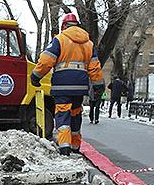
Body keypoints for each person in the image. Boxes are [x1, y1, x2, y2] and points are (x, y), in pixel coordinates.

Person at [30, 12, 103, 155]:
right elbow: (95, 67)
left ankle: (64, 146)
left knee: (63, 113)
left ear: (64, 26)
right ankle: (75, 146)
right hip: (80, 87)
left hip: (62, 86)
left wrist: (35, 76)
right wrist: (98, 85)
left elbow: (46, 61)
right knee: (76, 114)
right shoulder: (88, 43)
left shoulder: (60, 40)